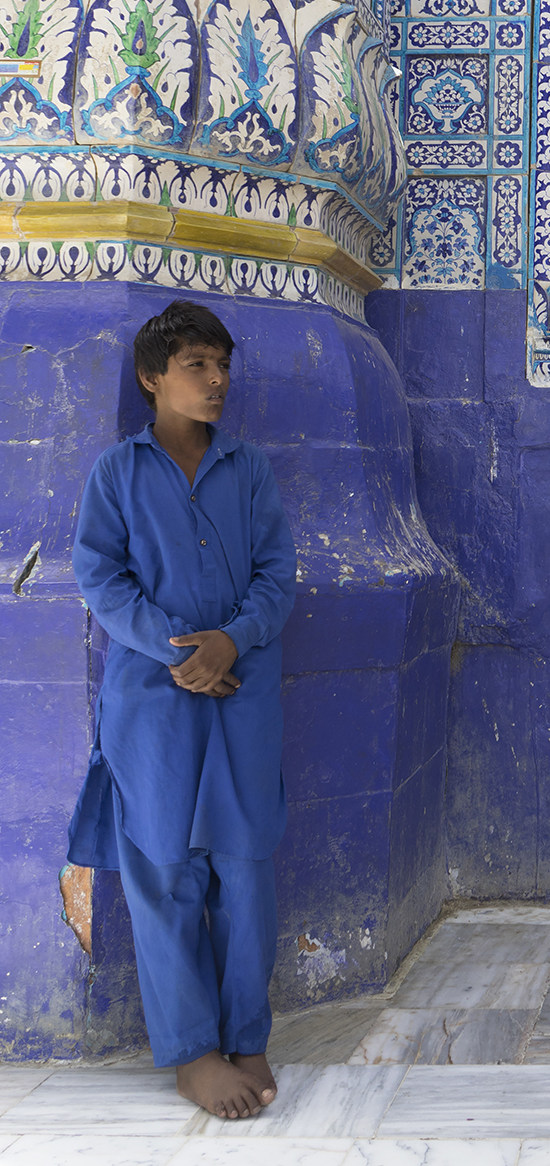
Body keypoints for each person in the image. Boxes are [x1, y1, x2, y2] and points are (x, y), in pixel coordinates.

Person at [66, 300, 296, 1119]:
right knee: (162, 871)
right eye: (198, 364)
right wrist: (180, 651)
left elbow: (276, 575)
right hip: (153, 705)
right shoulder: (116, 474)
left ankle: (246, 1035)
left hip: (242, 694)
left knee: (244, 870)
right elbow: (100, 577)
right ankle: (194, 1053)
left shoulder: (250, 470)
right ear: (151, 376)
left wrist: (230, 643)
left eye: (223, 366)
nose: (217, 380)